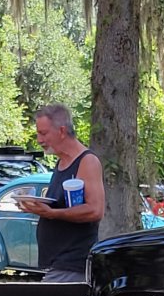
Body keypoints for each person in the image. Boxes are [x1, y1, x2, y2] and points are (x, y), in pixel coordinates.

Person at [18, 104, 105, 283]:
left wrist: (52, 213)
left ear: (62, 131)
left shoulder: (87, 161)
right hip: (56, 263)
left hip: (72, 264)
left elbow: (95, 211)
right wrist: (34, 206)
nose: (39, 139)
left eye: (43, 133)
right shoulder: (61, 163)